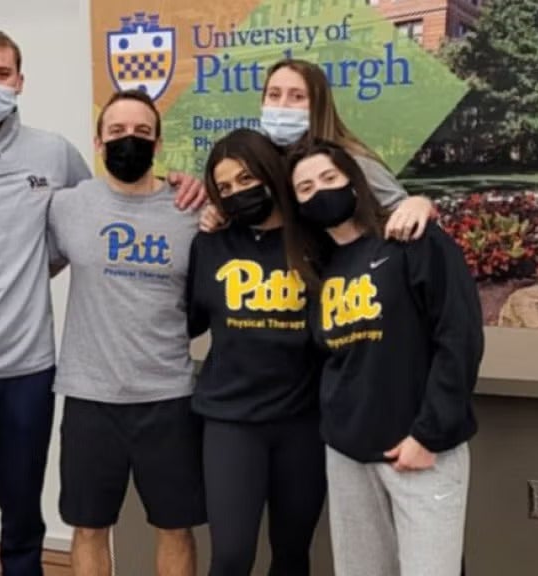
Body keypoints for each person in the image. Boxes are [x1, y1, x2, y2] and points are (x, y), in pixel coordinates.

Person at [0, 30, 203, 576]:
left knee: (24, 524)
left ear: (20, 81)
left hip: (30, 375)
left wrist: (184, 185)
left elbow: (94, 220)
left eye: (2, 74)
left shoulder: (55, 155)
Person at [281, 139, 483, 576]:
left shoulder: (412, 240)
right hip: (348, 455)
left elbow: (459, 338)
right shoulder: (321, 271)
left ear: (355, 181)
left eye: (330, 179)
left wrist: (430, 435)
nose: (320, 191)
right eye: (306, 187)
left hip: (420, 451)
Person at [47, 89, 206, 576]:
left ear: (158, 144)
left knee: (175, 527)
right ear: (98, 141)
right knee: (89, 527)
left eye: (141, 133)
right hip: (90, 397)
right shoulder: (66, 206)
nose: (128, 141)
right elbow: (20, 266)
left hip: (169, 397)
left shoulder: (191, 210)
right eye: (117, 132)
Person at [186, 128, 326, 575]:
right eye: (224, 188)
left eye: (246, 179)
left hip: (303, 423)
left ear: (271, 172)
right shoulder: (211, 242)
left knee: (291, 554)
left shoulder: (317, 241)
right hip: (231, 423)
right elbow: (189, 321)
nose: (236, 194)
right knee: (230, 557)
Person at [201, 58, 433, 239]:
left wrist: (419, 204)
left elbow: (406, 212)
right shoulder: (269, 158)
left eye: (297, 96)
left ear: (318, 106)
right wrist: (220, 212)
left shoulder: (351, 159)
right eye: (274, 95)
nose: (282, 105)